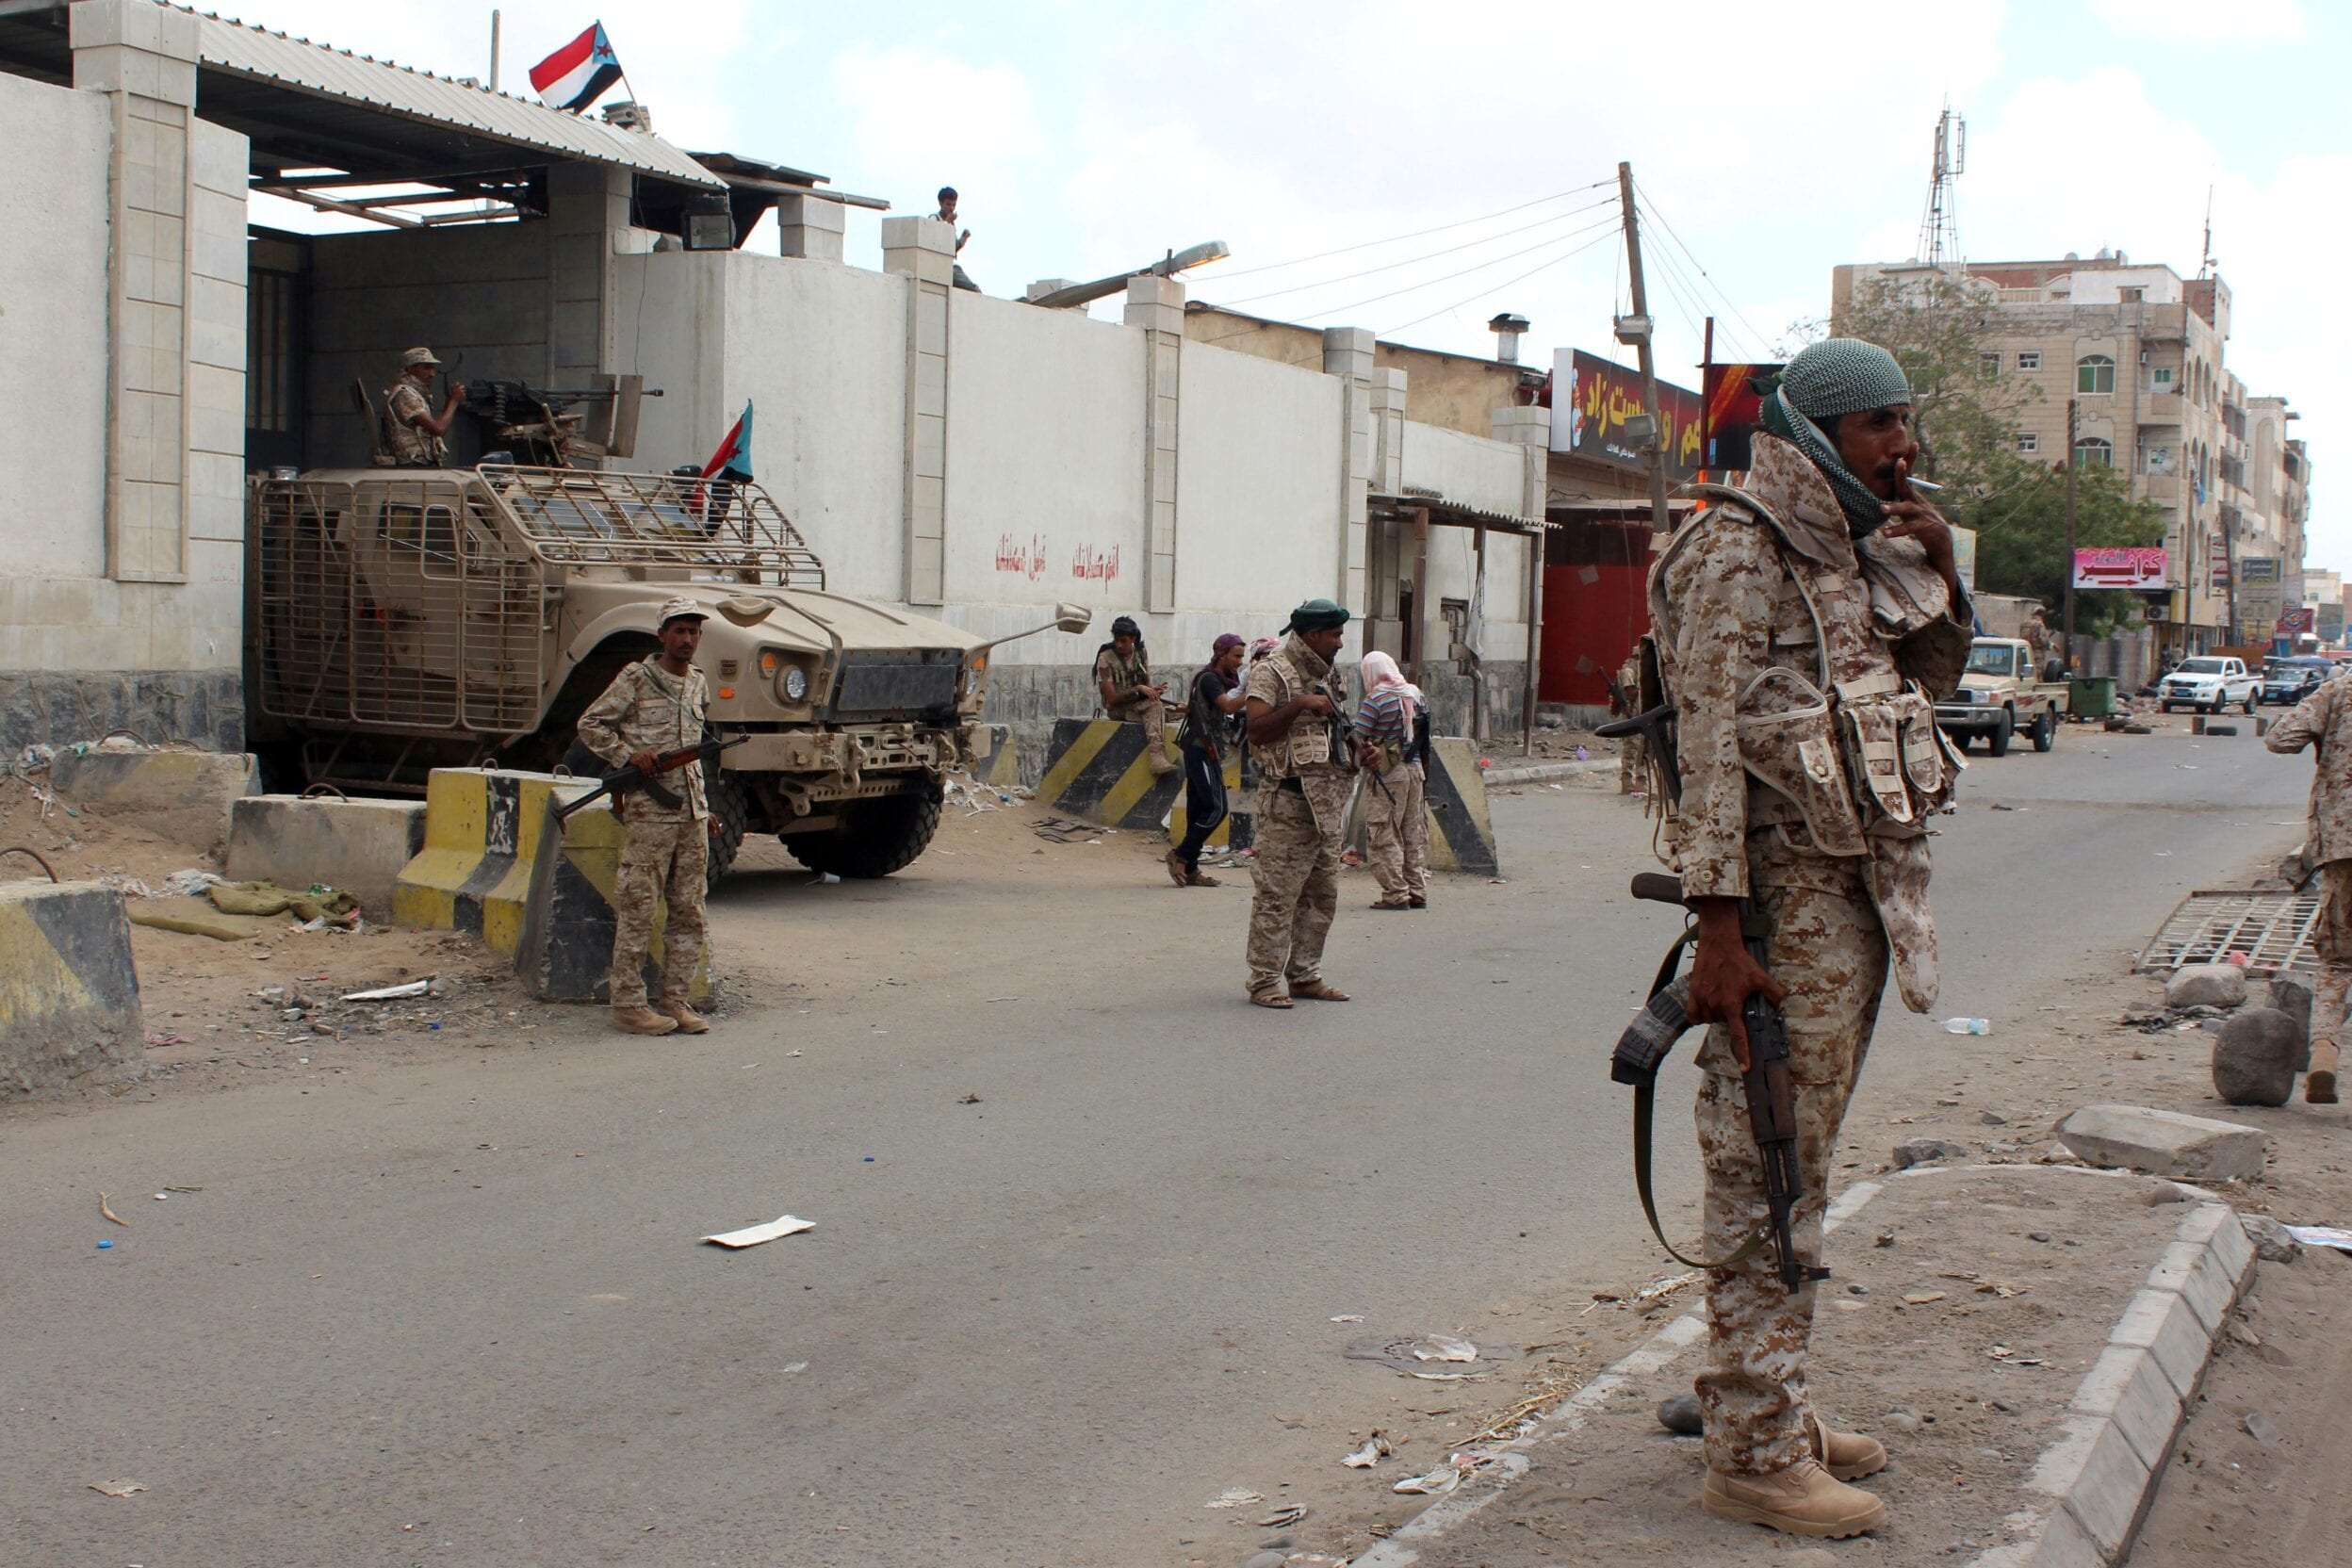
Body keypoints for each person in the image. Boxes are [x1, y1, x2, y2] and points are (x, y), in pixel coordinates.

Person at [1648, 339, 1971, 1538]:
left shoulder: (1846, 544)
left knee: (1805, 1159)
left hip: (1857, 896)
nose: (1906, 445)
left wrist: (1943, 576)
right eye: (1886, 422)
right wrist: (1719, 933)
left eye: (1907, 421)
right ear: (1820, 425)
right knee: (1766, 1163)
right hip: (1778, 904)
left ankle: (1763, 1395)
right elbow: (1708, 748)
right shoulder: (1737, 546)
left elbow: (1918, 691)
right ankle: (1754, 1447)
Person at [575, 597, 719, 1037]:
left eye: (694, 631)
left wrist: (705, 806)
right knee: (639, 908)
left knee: (689, 911)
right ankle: (629, 1004)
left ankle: (675, 999)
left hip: (691, 813)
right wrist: (627, 756)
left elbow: (695, 754)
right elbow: (591, 724)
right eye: (679, 630)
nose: (687, 639)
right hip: (650, 814)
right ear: (662, 635)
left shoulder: (697, 683)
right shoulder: (637, 679)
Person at [1242, 598, 1378, 1008]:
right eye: (1335, 635)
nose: (1340, 643)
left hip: (1328, 803)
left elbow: (1340, 724)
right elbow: (1257, 730)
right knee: (1277, 896)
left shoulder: (1329, 674)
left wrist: (1361, 749)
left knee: (1321, 896)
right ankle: (1265, 981)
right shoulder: (1272, 672)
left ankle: (1304, 975)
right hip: (1288, 802)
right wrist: (1298, 704)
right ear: (1312, 635)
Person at [2263, 670, 2352, 1103]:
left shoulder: (2338, 690)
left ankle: (2323, 1057)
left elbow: (2280, 738)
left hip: (2342, 844)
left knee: (2337, 962)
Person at [1168, 632, 1249, 889]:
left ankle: (1191, 869)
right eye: (1236, 656)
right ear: (1221, 654)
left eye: (1242, 657)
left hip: (1207, 748)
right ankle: (1181, 855)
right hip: (1200, 749)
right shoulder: (1211, 680)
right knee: (1217, 807)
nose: (1239, 661)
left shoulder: (1217, 679)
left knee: (1198, 807)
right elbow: (1228, 706)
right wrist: (1256, 691)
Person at [1355, 650, 1429, 910]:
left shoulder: (1375, 700)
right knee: (1412, 832)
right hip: (1415, 771)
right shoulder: (1416, 694)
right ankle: (1416, 889)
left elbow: (1358, 736)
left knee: (1384, 832)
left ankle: (1396, 893)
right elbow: (1425, 738)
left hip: (1388, 774)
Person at [1095, 615, 1176, 776]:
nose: (1119, 645)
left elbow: (1147, 682)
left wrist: (1153, 692)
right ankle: (1156, 757)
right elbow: (1112, 699)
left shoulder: (1140, 652)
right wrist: (1138, 689)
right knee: (1155, 707)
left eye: (1123, 641)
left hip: (1138, 704)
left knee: (1178, 709)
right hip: (1118, 709)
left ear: (1133, 639)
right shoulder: (1105, 659)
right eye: (1116, 640)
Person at [382, 347, 465, 467]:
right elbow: (438, 429)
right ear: (411, 369)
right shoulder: (405, 394)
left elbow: (435, 426)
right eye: (426, 368)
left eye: (432, 368)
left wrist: (449, 401)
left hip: (420, 463)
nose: (432, 374)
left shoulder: (414, 393)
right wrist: (454, 401)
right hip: (412, 464)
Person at [1613, 650, 1649, 796]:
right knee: (1630, 748)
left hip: (1642, 714)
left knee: (1643, 748)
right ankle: (1627, 781)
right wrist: (1644, 688)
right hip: (1632, 715)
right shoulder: (1629, 671)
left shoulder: (1641, 670)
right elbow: (1630, 692)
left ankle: (1641, 781)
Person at [934, 186, 978, 292]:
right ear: (941, 203)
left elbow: (951, 250)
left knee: (974, 288)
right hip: (938, 265)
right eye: (948, 204)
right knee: (973, 289)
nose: (952, 208)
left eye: (954, 205)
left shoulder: (951, 224)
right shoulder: (934, 219)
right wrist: (947, 222)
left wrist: (963, 239)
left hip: (949, 264)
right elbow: (933, 240)